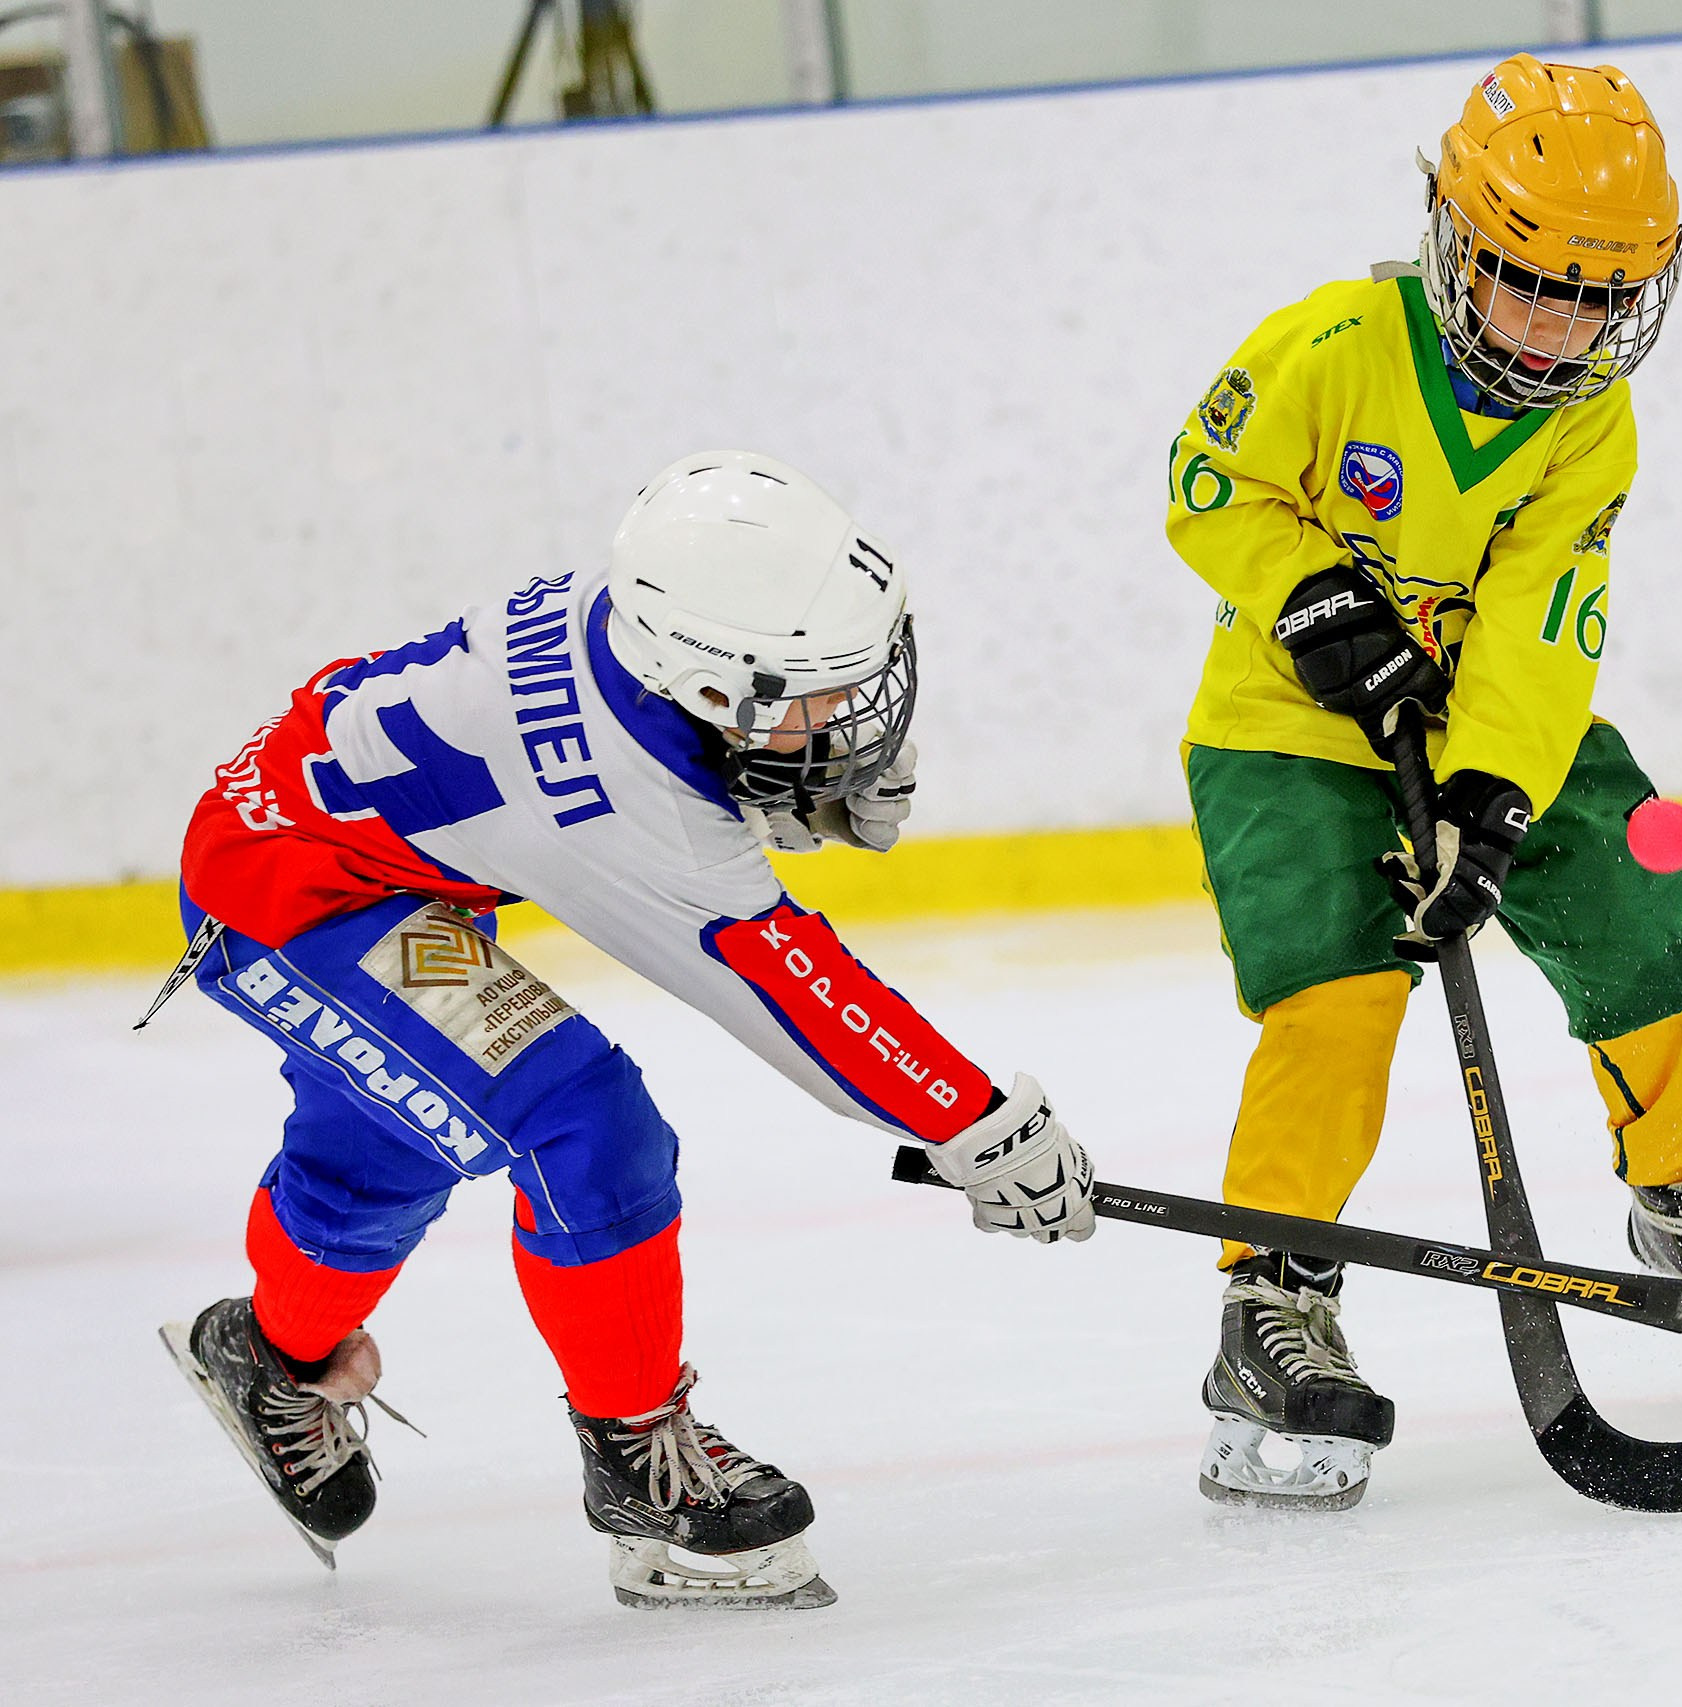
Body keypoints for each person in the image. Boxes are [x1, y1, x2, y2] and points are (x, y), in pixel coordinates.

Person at [150, 451, 1096, 1608]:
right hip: (290, 907)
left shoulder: (645, 620)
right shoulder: (616, 792)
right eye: (816, 693)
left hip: (322, 852)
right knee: (586, 1126)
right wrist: (979, 1125)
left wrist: (773, 775)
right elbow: (790, 990)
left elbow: (619, 777)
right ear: (711, 686)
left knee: (388, 1150)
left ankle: (265, 1355)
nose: (849, 715)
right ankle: (638, 1462)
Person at [1166, 55, 1682, 1510]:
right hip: (1288, 728)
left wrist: (1492, 802)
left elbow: (1543, 631)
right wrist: (1312, 598)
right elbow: (1205, 479)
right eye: (1528, 284)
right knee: (1336, 996)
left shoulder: (1590, 422)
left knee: (1636, 911)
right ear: (1455, 240)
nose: (1553, 331)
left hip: (1490, 713)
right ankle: (1271, 1297)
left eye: (1596, 301)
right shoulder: (1337, 341)